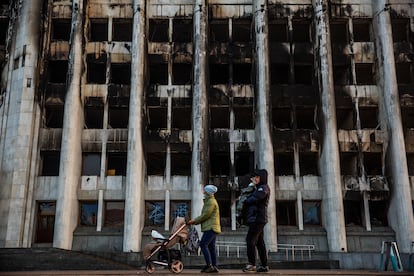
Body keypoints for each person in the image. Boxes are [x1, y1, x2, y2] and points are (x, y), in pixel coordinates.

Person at [188, 185, 221, 273]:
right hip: (212, 227)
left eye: (205, 191)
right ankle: (214, 266)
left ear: (208, 192)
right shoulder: (210, 201)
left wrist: (194, 221)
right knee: (211, 247)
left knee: (203, 244)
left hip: (211, 227)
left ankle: (209, 265)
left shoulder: (210, 202)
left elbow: (205, 215)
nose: (203, 193)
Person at [242, 169, 270, 273]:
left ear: (262, 178)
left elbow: (253, 199)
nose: (255, 179)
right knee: (259, 243)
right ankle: (264, 265)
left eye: (257, 177)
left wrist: (247, 198)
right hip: (257, 218)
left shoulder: (263, 188)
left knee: (250, 240)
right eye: (255, 177)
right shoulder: (258, 188)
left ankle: (252, 264)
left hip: (258, 218)